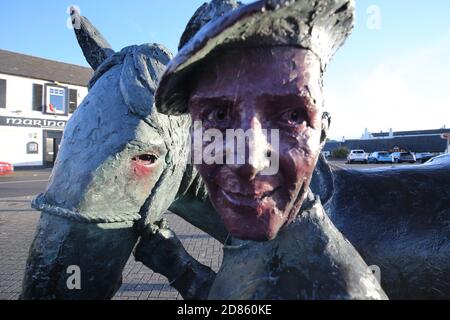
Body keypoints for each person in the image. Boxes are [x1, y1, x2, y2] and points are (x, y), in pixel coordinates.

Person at [155, 0, 388, 299]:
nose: (248, 161)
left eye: (292, 116)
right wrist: (177, 266)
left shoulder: (340, 291)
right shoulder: (257, 238)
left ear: (322, 136)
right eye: (217, 116)